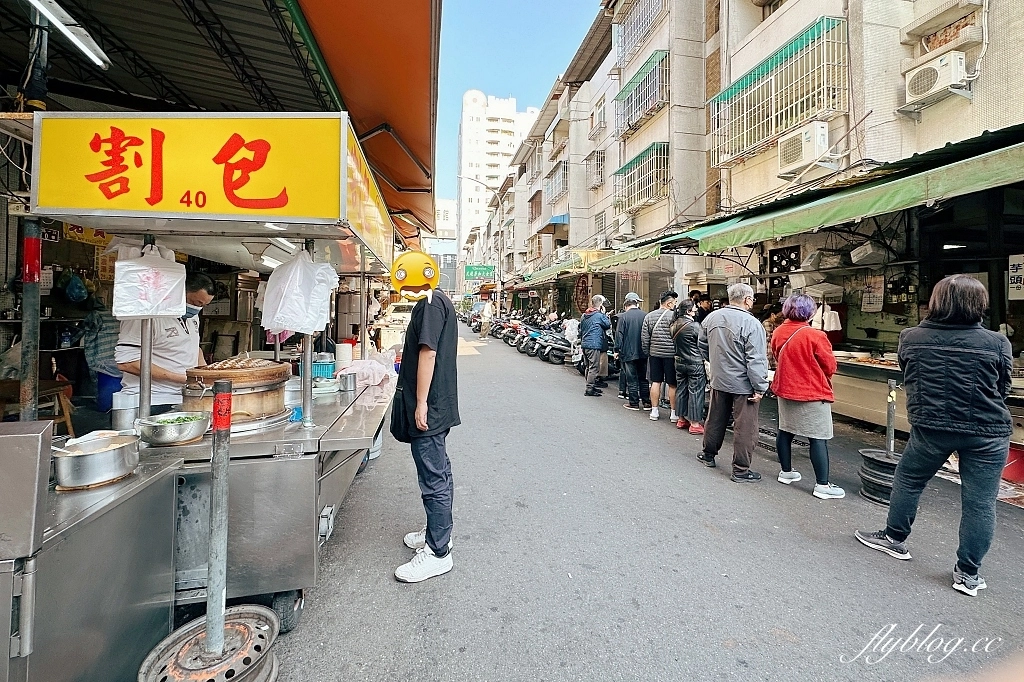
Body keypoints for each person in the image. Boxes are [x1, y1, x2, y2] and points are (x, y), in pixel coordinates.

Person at [855, 275, 1012, 597]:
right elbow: (1003, 388)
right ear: (979, 304)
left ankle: (894, 539)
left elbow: (908, 374)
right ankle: (968, 574)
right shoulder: (997, 343)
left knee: (909, 480)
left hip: (932, 428)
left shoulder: (912, 337)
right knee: (980, 503)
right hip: (987, 431)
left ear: (936, 302)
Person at [390, 283, 460, 583]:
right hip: (437, 404)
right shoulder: (437, 301)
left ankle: (438, 553)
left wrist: (420, 403)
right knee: (439, 471)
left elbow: (428, 354)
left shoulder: (431, 302)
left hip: (430, 405)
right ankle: (438, 533)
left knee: (433, 477)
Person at [770, 294, 845, 499]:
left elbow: (776, 357)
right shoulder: (816, 335)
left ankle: (786, 472)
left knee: (785, 431)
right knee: (818, 437)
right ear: (810, 313)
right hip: (811, 392)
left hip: (785, 389)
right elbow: (830, 366)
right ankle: (822, 485)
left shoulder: (778, 332)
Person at [114, 272, 215, 415]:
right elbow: (127, 362)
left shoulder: (192, 318)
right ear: (179, 291)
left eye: (203, 305)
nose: (197, 309)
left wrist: (205, 373)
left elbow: (192, 345)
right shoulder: (146, 316)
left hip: (183, 397)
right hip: (151, 401)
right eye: (195, 303)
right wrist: (183, 378)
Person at [697, 283, 769, 482]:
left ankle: (708, 454)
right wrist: (760, 386)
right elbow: (756, 360)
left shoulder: (711, 318)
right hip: (743, 384)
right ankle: (740, 470)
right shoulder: (752, 324)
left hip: (719, 378)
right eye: (752, 299)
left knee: (715, 418)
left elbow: (702, 345)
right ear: (747, 300)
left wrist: (716, 363)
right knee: (745, 427)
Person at [670, 299, 706, 434]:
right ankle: (695, 423)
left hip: (679, 361)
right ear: (688, 311)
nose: (696, 310)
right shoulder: (694, 326)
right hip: (694, 362)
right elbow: (703, 343)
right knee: (696, 391)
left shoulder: (673, 324)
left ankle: (681, 418)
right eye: (694, 308)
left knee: (681, 389)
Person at [642, 290, 678, 421]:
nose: (675, 305)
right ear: (668, 303)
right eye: (674, 302)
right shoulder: (674, 316)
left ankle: (654, 411)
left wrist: (648, 352)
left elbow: (644, 338)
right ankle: (673, 413)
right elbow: (677, 336)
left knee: (655, 382)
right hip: (670, 355)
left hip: (655, 354)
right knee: (672, 384)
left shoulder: (649, 316)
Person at [615, 292, 650, 411]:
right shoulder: (646, 315)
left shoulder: (623, 317)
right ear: (636, 304)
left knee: (632, 379)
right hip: (644, 352)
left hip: (628, 353)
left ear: (626, 305)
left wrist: (617, 350)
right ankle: (646, 402)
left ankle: (634, 403)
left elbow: (619, 335)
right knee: (644, 378)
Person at [579, 295, 611, 397]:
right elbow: (607, 324)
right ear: (601, 305)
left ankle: (590, 386)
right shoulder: (599, 315)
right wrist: (604, 313)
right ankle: (589, 389)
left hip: (585, 344)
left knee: (588, 367)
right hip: (594, 344)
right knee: (594, 368)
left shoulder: (584, 315)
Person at [761, 303, 784, 369]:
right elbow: (771, 338)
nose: (782, 319)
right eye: (780, 317)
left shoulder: (780, 324)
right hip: (769, 354)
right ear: (773, 315)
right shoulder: (767, 323)